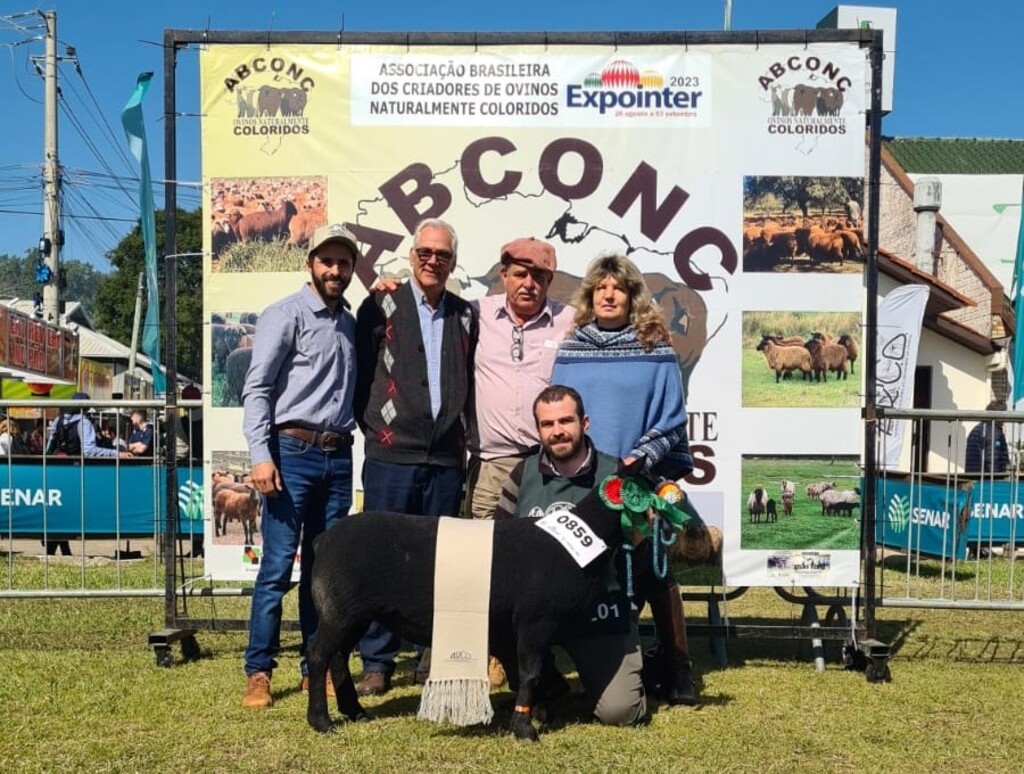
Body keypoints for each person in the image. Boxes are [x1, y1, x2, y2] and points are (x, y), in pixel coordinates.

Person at [551, 253, 697, 706]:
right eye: (600, 288)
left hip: (639, 476)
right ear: (590, 296)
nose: (609, 295)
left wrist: (642, 460)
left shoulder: (656, 347)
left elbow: (673, 419)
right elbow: (558, 410)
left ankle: (677, 666)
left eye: (618, 288)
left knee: (653, 566)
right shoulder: (571, 349)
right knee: (588, 568)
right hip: (586, 478)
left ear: (633, 297)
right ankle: (591, 660)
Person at [353, 217, 477, 696]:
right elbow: (359, 371)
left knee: (440, 562)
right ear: (411, 257)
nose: (432, 261)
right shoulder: (380, 303)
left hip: (445, 459)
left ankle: (434, 655)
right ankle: (377, 662)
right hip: (391, 457)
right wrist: (378, 428)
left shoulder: (465, 315)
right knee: (383, 559)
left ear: (452, 262)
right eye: (425, 252)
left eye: (442, 255)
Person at [240, 223, 361, 710]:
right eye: (327, 261)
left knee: (325, 571)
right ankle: (258, 671)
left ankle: (321, 668)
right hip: (292, 453)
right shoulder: (285, 314)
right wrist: (260, 454)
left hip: (338, 453)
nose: (335, 270)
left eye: (344, 263)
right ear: (310, 263)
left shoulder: (350, 322)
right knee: (275, 569)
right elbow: (258, 389)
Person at [494, 385, 646, 726]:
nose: (557, 431)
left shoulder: (617, 475)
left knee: (620, 712)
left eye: (566, 420)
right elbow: (498, 547)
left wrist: (642, 528)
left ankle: (620, 675)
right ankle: (546, 685)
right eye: (547, 424)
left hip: (599, 612)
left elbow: (639, 548)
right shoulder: (522, 474)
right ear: (538, 430)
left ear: (585, 422)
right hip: (535, 617)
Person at [465, 237, 574, 520]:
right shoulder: (475, 313)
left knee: (541, 550)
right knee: (484, 550)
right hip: (491, 464)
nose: (528, 283)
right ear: (504, 276)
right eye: (519, 274)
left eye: (538, 276)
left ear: (549, 281)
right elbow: (427, 310)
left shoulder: (570, 321)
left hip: (546, 464)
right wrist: (388, 288)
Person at [45, 393, 132, 459]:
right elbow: (89, 451)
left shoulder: (58, 420)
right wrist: (117, 454)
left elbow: (49, 447)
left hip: (60, 465)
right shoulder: (84, 422)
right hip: (81, 467)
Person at [965, 400, 1010, 474]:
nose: (1005, 419)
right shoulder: (993, 431)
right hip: (987, 479)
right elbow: (993, 459)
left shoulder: (978, 428)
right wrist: (997, 477)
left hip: (975, 476)